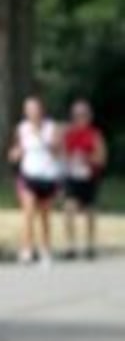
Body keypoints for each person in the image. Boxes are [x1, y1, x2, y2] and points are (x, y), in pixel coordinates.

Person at [9, 96, 63, 266]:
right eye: (28, 109)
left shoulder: (51, 127)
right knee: (28, 213)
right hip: (28, 175)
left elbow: (56, 151)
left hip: (47, 176)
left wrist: (40, 135)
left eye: (35, 109)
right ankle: (27, 250)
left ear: (41, 110)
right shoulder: (22, 128)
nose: (32, 112)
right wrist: (15, 154)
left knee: (45, 216)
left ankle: (46, 249)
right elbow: (18, 148)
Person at [62, 99, 107, 261]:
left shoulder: (94, 134)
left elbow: (101, 158)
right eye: (76, 115)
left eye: (83, 115)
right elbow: (61, 154)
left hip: (89, 177)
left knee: (90, 213)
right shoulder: (68, 133)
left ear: (89, 116)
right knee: (69, 209)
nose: (80, 118)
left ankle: (90, 245)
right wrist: (70, 159)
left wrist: (86, 158)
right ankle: (70, 246)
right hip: (72, 177)